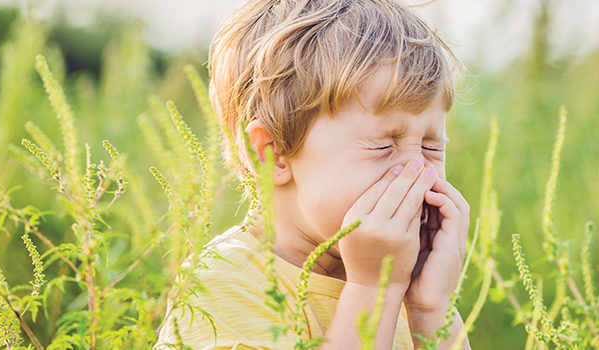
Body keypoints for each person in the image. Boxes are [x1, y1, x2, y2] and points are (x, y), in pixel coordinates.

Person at [155, 0, 471, 348]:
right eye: (384, 146)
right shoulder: (222, 285)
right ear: (273, 154)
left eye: (431, 147)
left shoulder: (400, 281)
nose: (419, 174)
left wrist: (432, 308)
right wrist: (373, 290)